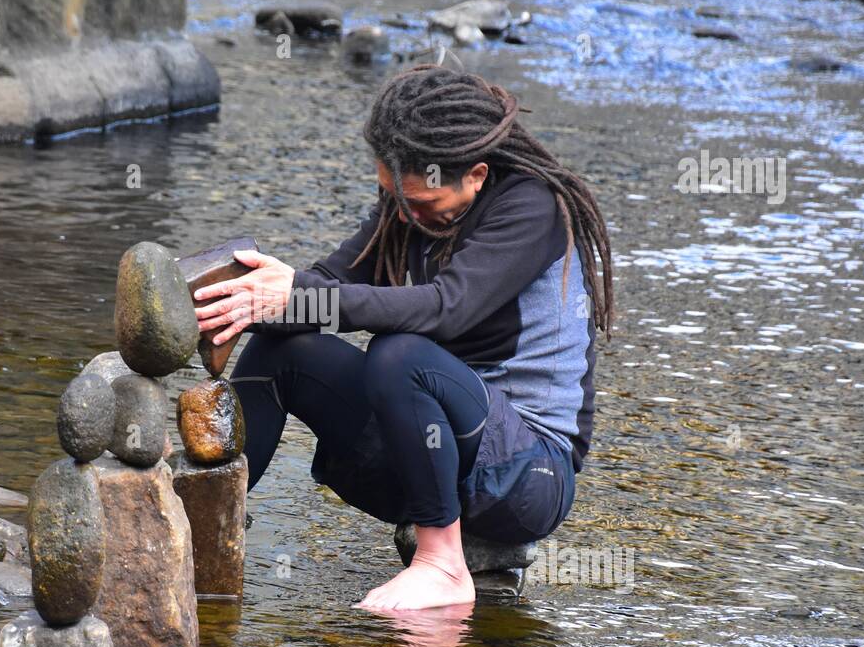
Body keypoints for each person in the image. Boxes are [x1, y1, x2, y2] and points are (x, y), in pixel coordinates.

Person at [192, 64, 614, 612]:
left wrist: (294, 294)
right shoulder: (407, 204)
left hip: (526, 476)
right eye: (394, 198)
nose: (406, 215)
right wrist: (243, 300)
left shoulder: (530, 208)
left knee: (399, 352)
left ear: (477, 175)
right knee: (284, 351)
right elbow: (330, 285)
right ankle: (205, 527)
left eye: (421, 204)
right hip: (427, 457)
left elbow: (445, 310)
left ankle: (442, 563)